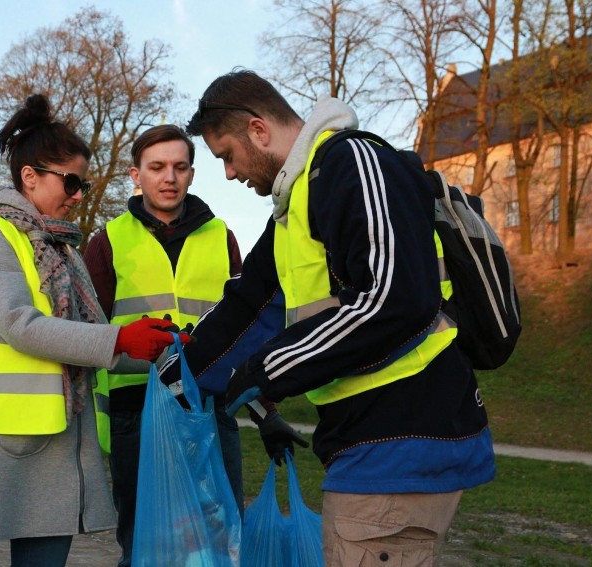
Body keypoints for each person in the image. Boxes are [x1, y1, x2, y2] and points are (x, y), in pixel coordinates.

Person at [158, 70, 496, 565]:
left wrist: (271, 371)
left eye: (226, 155)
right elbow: (251, 307)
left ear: (258, 130)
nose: (229, 173)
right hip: (365, 444)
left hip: (403, 436)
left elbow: (393, 297)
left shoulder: (353, 163)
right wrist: (176, 374)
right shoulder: (297, 204)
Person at [0, 94, 190, 567]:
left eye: (82, 182)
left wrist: (162, 347)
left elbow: (93, 342)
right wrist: (120, 339)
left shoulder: (63, 250)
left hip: (55, 445)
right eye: (71, 181)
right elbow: (21, 326)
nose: (79, 193)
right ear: (30, 176)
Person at [83, 124, 247, 567]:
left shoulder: (222, 237)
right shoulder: (107, 242)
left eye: (179, 167)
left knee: (219, 536)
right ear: (135, 176)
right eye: (157, 167)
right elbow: (85, 329)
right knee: (144, 543)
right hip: (134, 412)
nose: (169, 177)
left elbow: (244, 326)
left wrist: (264, 407)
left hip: (210, 408)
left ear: (192, 174)